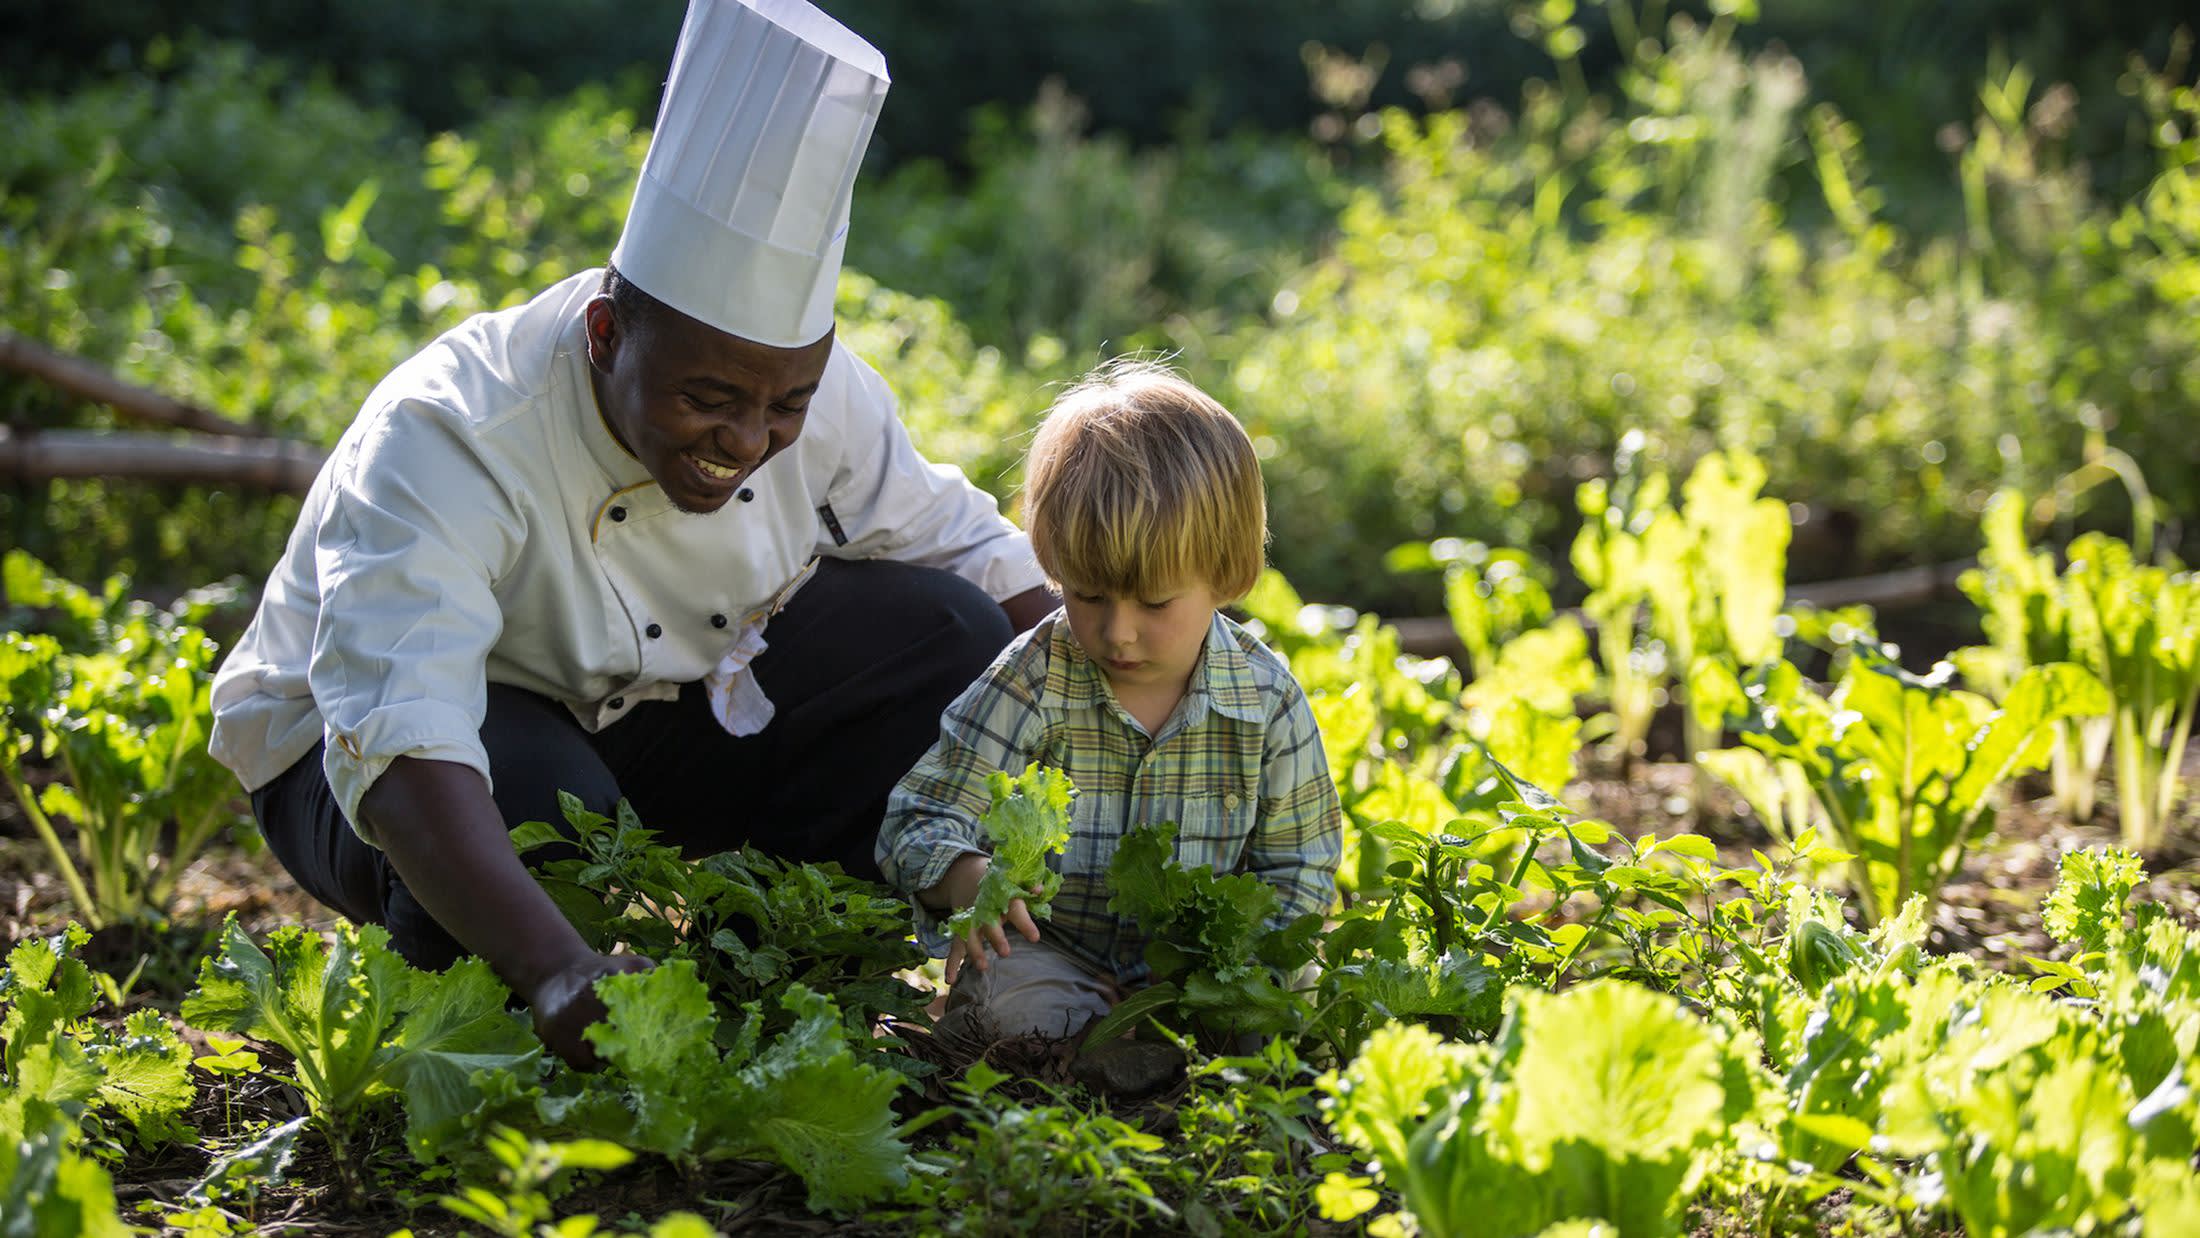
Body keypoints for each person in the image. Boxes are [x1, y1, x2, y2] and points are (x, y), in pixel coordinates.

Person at [206, 0, 1054, 1068]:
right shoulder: (450, 433)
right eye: (710, 396)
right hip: (366, 751)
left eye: (782, 402)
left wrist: (1156, 682)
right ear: (607, 333)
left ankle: (785, 979)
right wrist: (559, 971)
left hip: (650, 705)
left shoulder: (819, 396)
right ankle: (492, 1012)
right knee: (544, 811)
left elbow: (973, 554)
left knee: (945, 631)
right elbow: (402, 733)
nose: (747, 439)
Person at [875, 358, 1344, 1060]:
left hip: (1201, 974)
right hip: (1058, 959)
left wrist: (1222, 967)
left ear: (1225, 575)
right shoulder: (1035, 679)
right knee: (1005, 1004)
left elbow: (1301, 867)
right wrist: (971, 878)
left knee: (1281, 1009)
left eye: (1155, 604)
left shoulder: (1264, 700)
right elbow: (918, 819)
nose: (1118, 632)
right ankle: (1116, 1053)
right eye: (1088, 595)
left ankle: (1152, 1047)